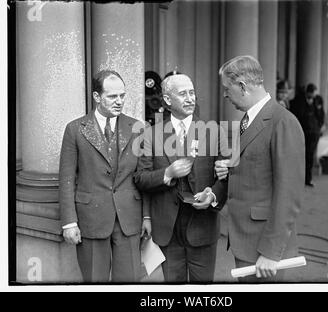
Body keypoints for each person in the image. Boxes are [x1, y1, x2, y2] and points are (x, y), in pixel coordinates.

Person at [215, 55, 305, 282]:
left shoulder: (283, 122)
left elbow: (289, 193)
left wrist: (271, 252)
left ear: (242, 86)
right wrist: (231, 168)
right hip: (246, 241)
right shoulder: (248, 120)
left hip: (263, 247)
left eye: (227, 88)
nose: (225, 95)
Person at [134, 73, 227, 283]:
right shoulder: (151, 134)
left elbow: (226, 177)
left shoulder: (214, 131)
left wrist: (212, 196)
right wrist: (167, 174)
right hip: (168, 228)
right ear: (167, 100)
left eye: (192, 92)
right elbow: (140, 178)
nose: (190, 98)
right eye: (183, 93)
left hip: (203, 225)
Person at [59, 70, 151, 282]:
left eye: (122, 95)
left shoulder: (138, 128)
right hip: (91, 218)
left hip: (129, 217)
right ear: (97, 97)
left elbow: (143, 175)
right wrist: (69, 222)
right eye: (112, 96)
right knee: (94, 281)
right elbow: (66, 179)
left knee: (129, 281)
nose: (119, 101)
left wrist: (147, 216)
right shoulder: (75, 129)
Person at [296, 83, 325, 187]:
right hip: (303, 132)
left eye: (314, 94)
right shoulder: (300, 100)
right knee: (301, 155)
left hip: (314, 133)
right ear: (307, 92)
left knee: (310, 156)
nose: (313, 96)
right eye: (311, 93)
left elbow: (321, 114)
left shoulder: (317, 100)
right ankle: (300, 178)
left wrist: (319, 126)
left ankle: (308, 179)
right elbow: (298, 115)